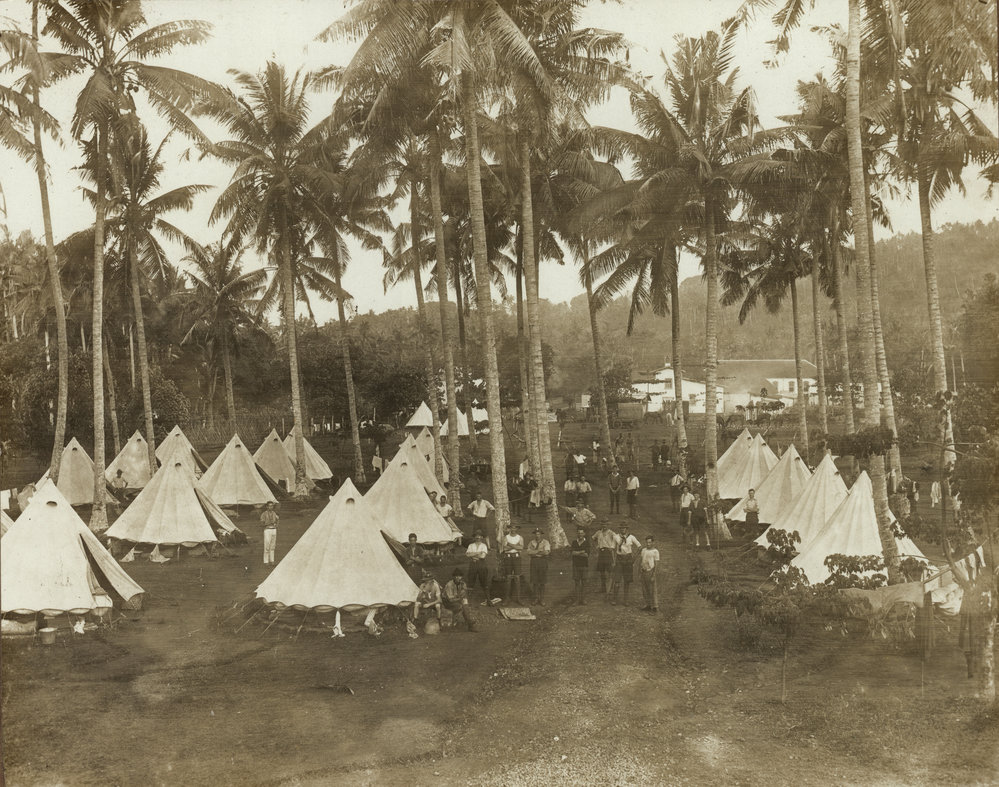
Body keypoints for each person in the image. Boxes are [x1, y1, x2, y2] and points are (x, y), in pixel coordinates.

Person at [611, 522, 643, 605]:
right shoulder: (616, 537)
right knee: (617, 580)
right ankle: (614, 599)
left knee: (627, 581)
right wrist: (613, 561)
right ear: (619, 529)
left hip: (628, 559)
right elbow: (612, 549)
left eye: (624, 528)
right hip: (619, 559)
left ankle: (626, 600)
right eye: (621, 528)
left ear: (627, 529)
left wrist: (634, 558)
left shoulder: (631, 537)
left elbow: (640, 547)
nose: (623, 529)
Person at [593, 521, 620, 602]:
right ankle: (603, 588)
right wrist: (596, 547)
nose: (604, 526)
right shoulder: (598, 532)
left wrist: (612, 547)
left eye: (605, 524)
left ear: (608, 525)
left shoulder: (611, 533)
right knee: (602, 571)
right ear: (601, 525)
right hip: (601, 552)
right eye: (602, 524)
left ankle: (610, 589)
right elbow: (593, 538)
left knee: (609, 572)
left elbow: (618, 540)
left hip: (608, 552)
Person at [526, 527, 551, 605]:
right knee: (535, 581)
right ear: (534, 535)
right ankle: (536, 598)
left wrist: (534, 553)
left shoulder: (545, 542)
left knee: (542, 581)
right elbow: (528, 552)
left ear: (541, 535)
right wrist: (539, 551)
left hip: (543, 562)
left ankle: (542, 599)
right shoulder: (531, 542)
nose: (537, 536)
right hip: (534, 562)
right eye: (536, 534)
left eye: (539, 534)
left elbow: (546, 552)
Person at [502, 523, 525, 604]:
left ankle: (518, 599)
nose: (513, 529)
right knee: (508, 577)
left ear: (517, 529)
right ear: (510, 529)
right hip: (508, 557)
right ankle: (507, 598)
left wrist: (510, 545)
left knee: (517, 577)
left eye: (515, 528)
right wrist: (516, 546)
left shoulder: (520, 537)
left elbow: (521, 547)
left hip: (517, 557)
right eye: (512, 528)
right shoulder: (506, 537)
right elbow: (504, 548)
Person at [465, 532, 490, 601]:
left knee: (484, 580)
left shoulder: (484, 545)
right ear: (474, 537)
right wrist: (478, 553)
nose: (478, 538)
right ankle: (469, 600)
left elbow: (482, 556)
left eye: (479, 536)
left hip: (481, 564)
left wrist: (472, 554)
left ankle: (488, 599)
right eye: (476, 536)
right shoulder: (471, 545)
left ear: (482, 537)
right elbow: (467, 555)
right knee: (471, 580)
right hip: (473, 564)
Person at [639, 535, 660, 612]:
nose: (648, 544)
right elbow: (641, 561)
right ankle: (648, 605)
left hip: (650, 572)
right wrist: (640, 572)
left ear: (653, 542)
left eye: (650, 542)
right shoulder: (643, 550)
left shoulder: (655, 551)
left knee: (652, 590)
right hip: (643, 571)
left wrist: (653, 575)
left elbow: (656, 564)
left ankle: (655, 607)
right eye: (647, 542)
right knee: (645, 590)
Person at [570, 527, 590, 605]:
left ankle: (583, 599)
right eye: (579, 533)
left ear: (584, 534)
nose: (580, 534)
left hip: (584, 565)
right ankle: (577, 600)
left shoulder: (587, 543)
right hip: (576, 565)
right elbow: (572, 553)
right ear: (577, 534)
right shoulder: (574, 542)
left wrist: (577, 553)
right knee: (577, 583)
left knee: (584, 583)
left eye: (581, 533)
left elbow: (586, 555)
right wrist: (581, 552)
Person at [261, 501, 279, 566]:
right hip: (267, 530)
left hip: (274, 530)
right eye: (269, 506)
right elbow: (262, 523)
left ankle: (272, 560)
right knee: (267, 546)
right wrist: (268, 523)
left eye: (272, 506)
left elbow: (277, 521)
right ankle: (266, 561)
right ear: (267, 507)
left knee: (273, 546)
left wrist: (276, 524)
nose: (271, 507)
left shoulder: (274, 513)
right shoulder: (264, 514)